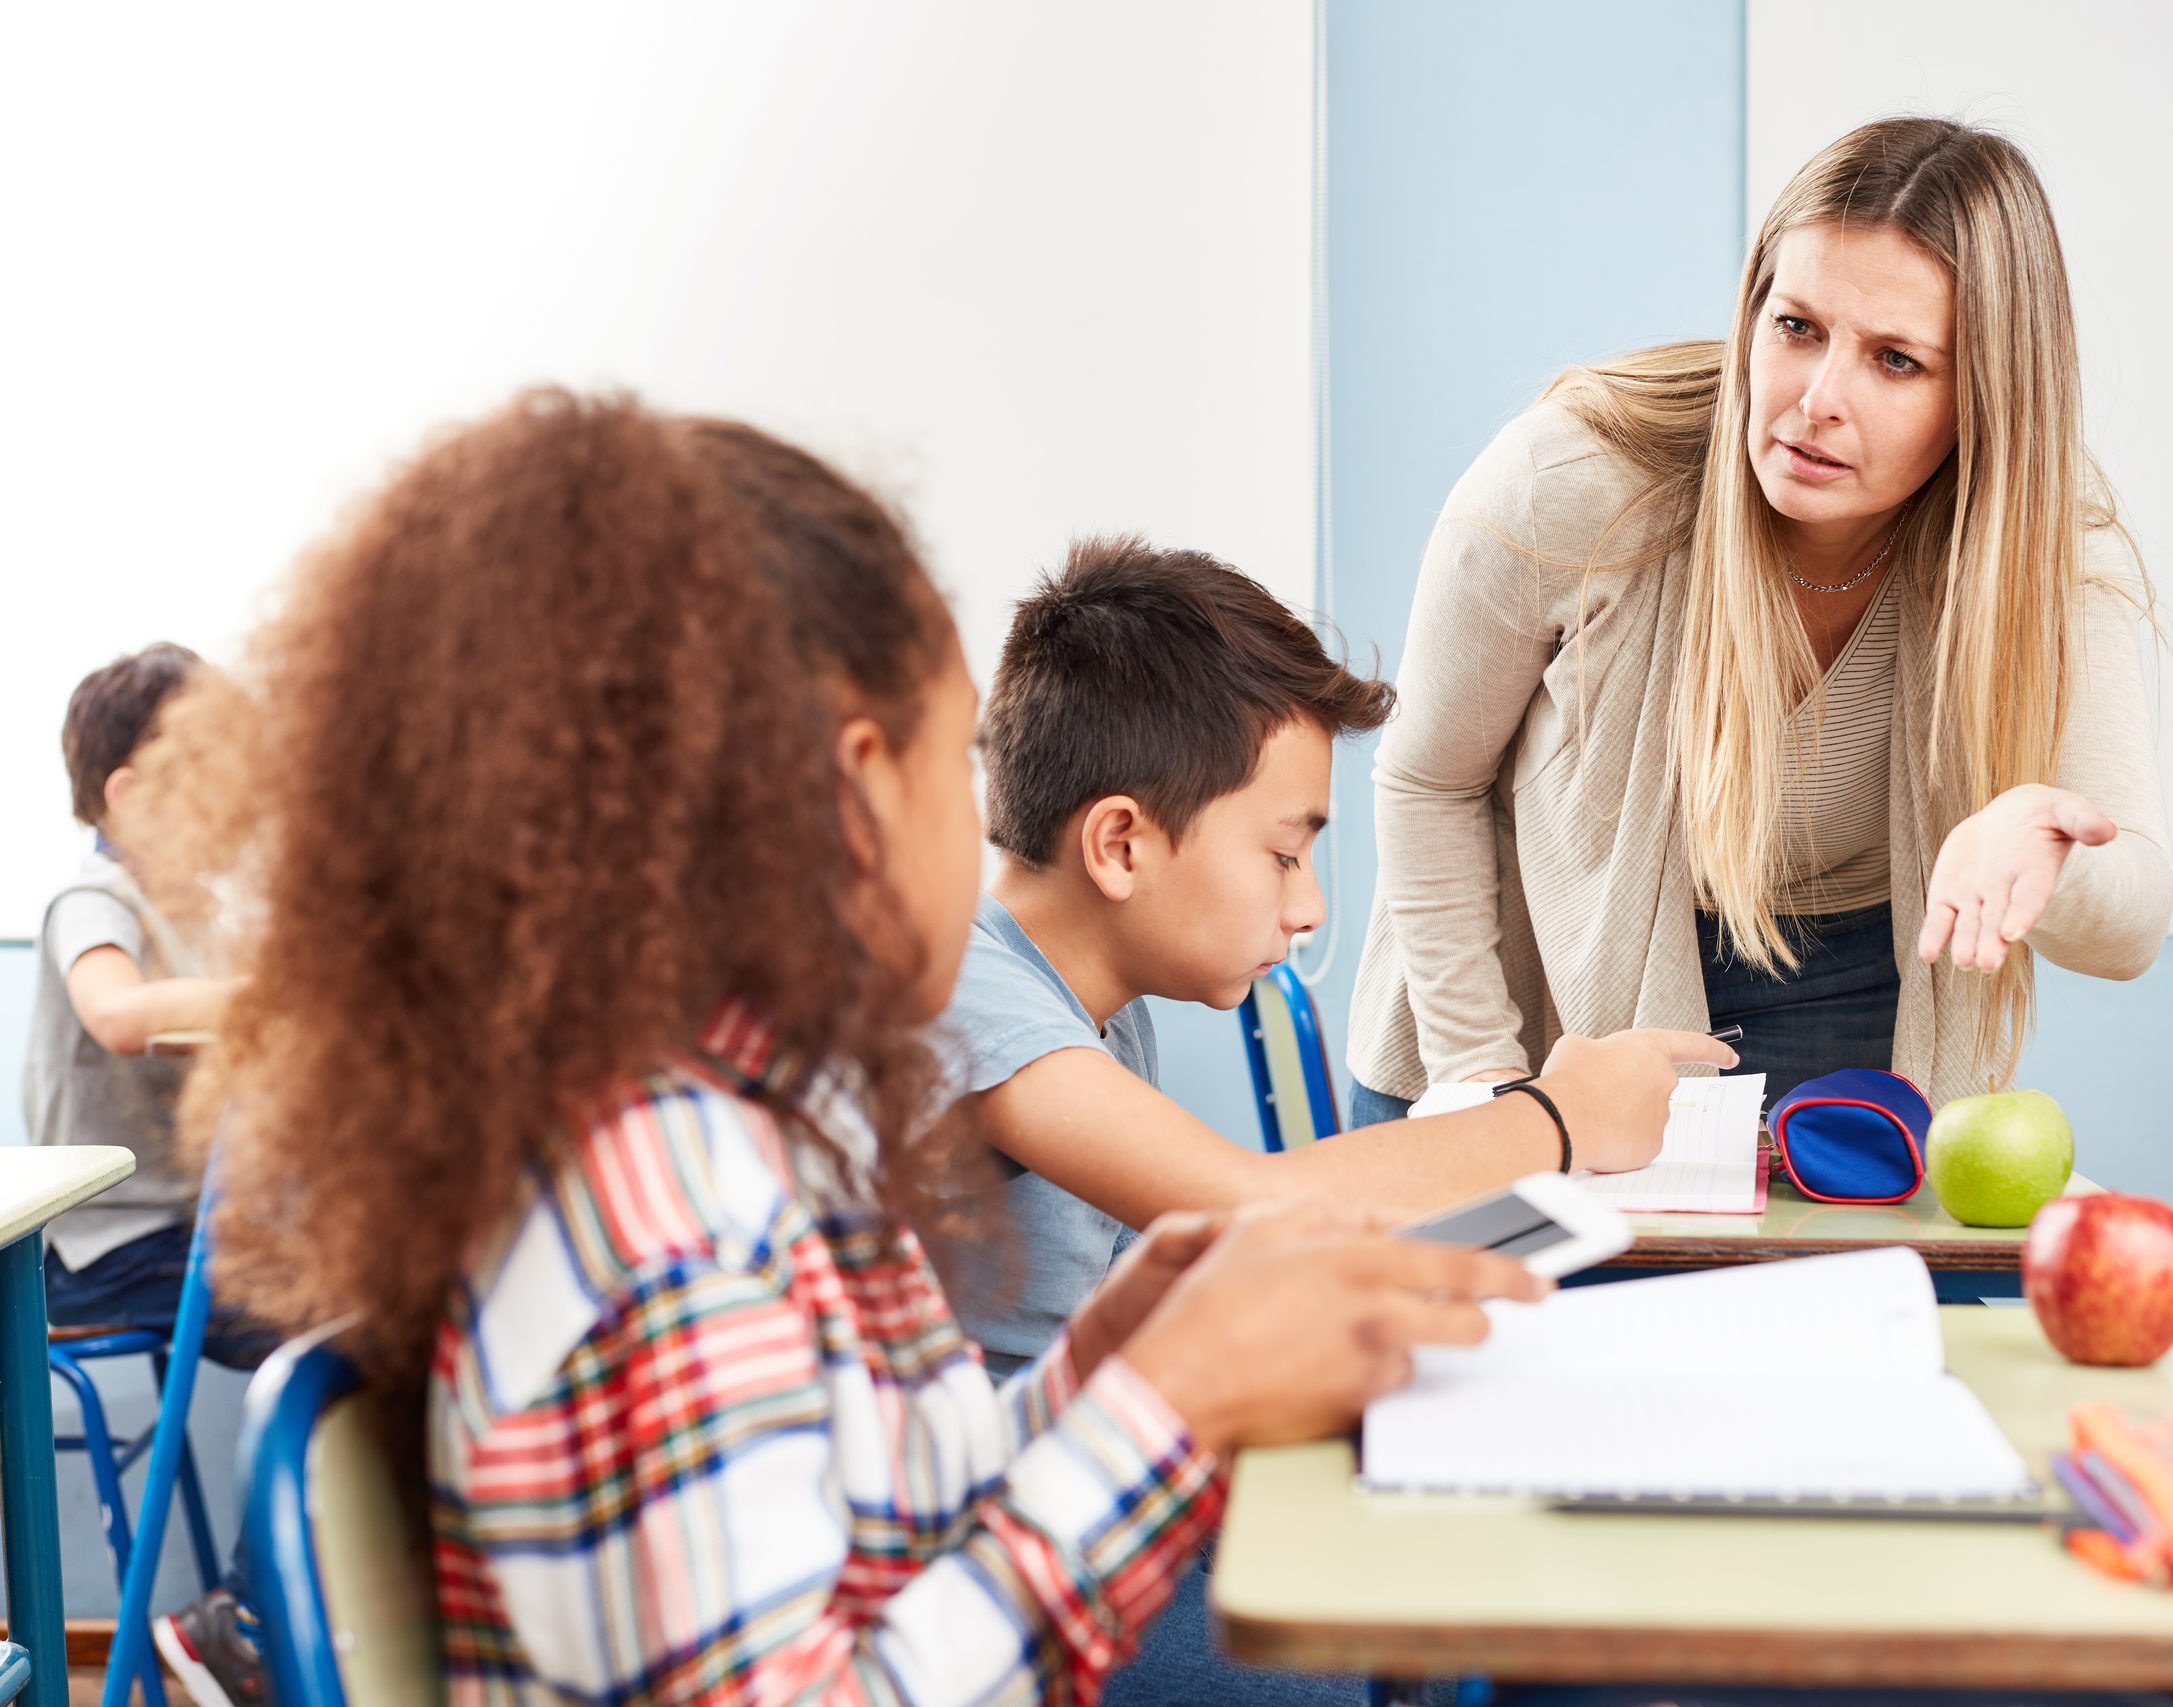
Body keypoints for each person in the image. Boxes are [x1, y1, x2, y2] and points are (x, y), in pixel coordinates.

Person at [136, 390, 1551, 1707]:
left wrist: (1109, 1365)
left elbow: (885, 1507)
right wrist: (1165, 1410)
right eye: (959, 765)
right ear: (852, 790)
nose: (985, 819)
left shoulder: (744, 1127)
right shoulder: (666, 1222)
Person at [938, 537, 1731, 1704]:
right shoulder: (968, 988)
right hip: (997, 1552)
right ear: (1120, 843)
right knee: (1383, 1650)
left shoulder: (1084, 1003)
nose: (1308, 907)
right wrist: (1556, 1118)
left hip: (1090, 1482)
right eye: (1283, 853)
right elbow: (1243, 1206)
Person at [1347, 116, 2173, 1126]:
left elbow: (2130, 923)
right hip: (1514, 978)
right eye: (1796, 328)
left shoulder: (2043, 540)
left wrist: (2046, 846)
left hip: (1842, 977)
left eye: (1897, 360)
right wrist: (1478, 1083)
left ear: (1986, 398)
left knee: (1825, 1286)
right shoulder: (1571, 480)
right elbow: (1430, 780)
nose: (1817, 399)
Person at [24, 643, 268, 1707]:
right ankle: (237, 1621)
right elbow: (119, 1016)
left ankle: (249, 1613)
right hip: (104, 1255)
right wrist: (280, 990)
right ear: (131, 794)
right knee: (346, 1341)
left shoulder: (205, 916)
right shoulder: (94, 897)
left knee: (385, 1309)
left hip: (184, 1239)